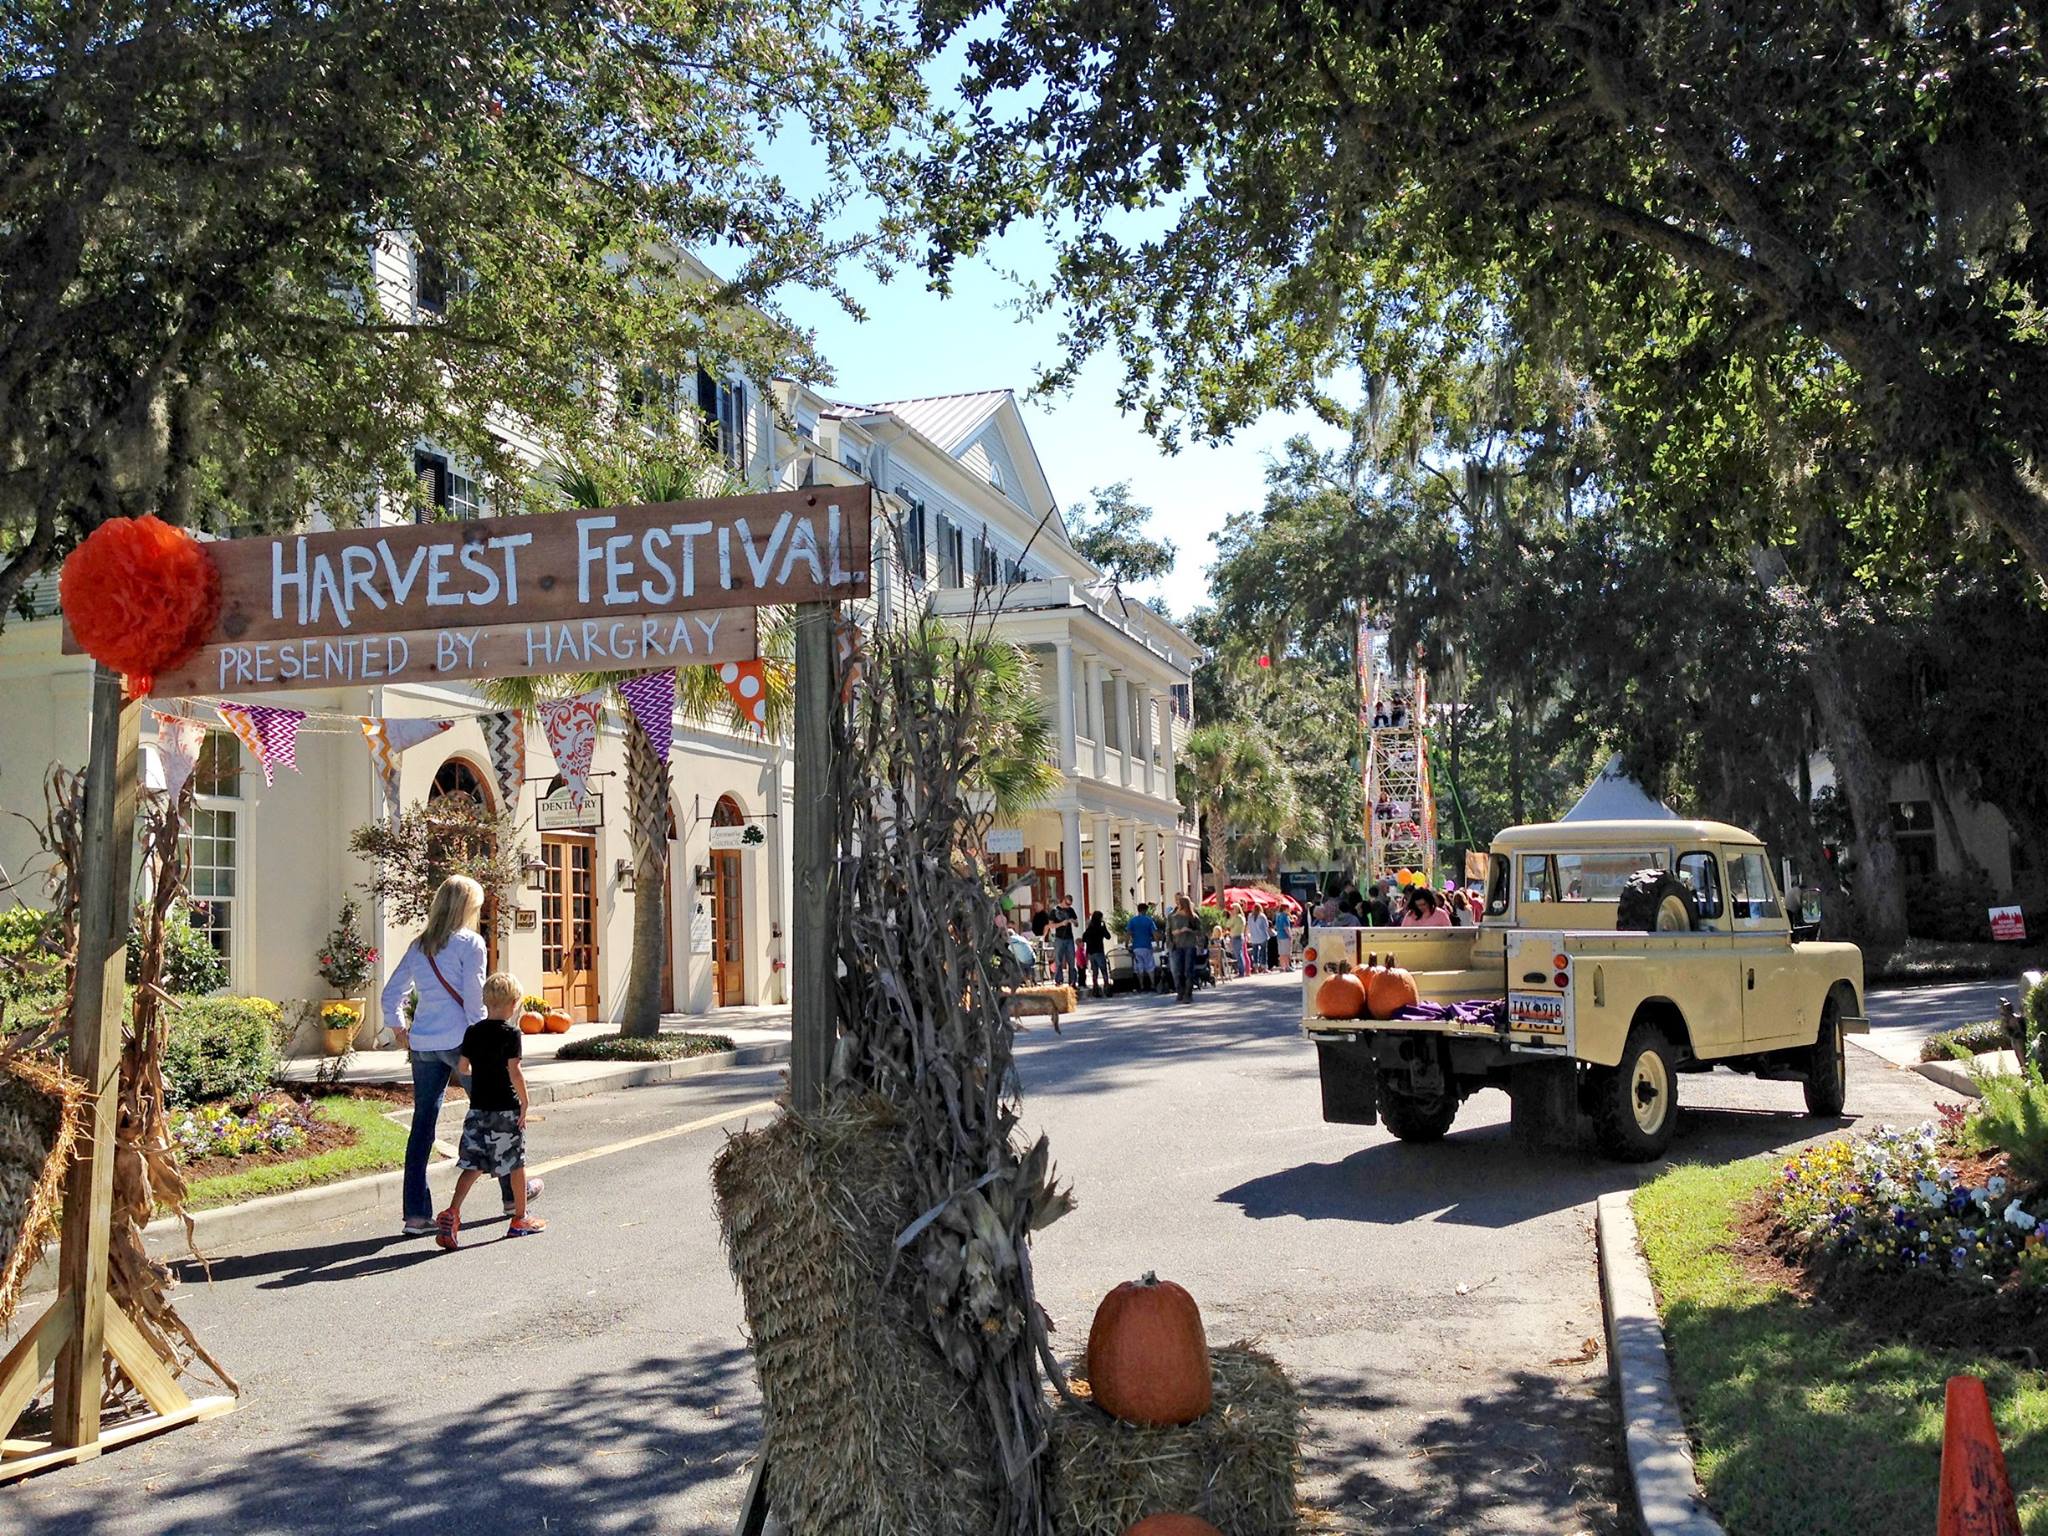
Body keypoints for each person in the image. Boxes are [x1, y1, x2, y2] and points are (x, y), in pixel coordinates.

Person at [381, 875, 534, 1236]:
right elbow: (472, 999)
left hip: (424, 1045)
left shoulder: (420, 946)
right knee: (494, 1113)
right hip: (462, 1042)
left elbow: (391, 993)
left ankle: (416, 1215)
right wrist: (487, 1041)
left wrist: (400, 1028)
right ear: (468, 908)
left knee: (422, 1127)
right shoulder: (471, 944)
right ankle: (513, 1197)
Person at [436, 971, 543, 1247]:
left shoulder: (473, 1032)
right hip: (505, 1110)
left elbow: (462, 1068)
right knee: (515, 1164)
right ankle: (520, 1218)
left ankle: (452, 1212)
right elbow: (515, 1071)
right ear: (514, 1003)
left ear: (486, 1001)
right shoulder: (511, 1033)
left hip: (478, 1110)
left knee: (472, 1165)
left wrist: (478, 1070)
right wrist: (525, 1102)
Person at [1166, 895, 1203, 1004]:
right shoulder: (1172, 917)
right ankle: (1180, 992)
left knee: (1188, 971)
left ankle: (1188, 993)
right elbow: (1168, 932)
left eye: (1180, 902)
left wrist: (1189, 930)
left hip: (1189, 945)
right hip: (1176, 946)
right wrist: (1170, 942)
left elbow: (1200, 932)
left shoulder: (1193, 917)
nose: (1178, 904)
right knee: (1177, 971)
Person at [1126, 902, 1161, 992]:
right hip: (1147, 946)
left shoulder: (1132, 920)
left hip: (1136, 947)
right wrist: (1157, 944)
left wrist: (1126, 944)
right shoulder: (1149, 920)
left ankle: (1141, 986)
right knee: (1150, 966)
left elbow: (1128, 933)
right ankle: (1152, 984)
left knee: (1139, 967)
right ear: (1145, 910)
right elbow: (1155, 933)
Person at [1049, 895, 1079, 987]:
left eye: (1070, 904)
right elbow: (1051, 925)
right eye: (1067, 904)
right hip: (1059, 938)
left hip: (1069, 938)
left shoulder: (1071, 910)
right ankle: (1058, 981)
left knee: (1071, 960)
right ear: (1063, 901)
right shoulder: (1054, 911)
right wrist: (1062, 923)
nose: (1068, 906)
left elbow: (1077, 923)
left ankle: (1072, 982)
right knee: (1059, 960)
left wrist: (1072, 921)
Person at [1082, 910, 1112, 997]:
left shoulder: (1090, 928)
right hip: (1099, 951)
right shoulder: (1101, 927)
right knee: (1103, 970)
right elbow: (1108, 936)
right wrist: (1104, 927)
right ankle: (1106, 988)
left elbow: (1084, 938)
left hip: (1091, 952)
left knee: (1094, 971)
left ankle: (1096, 989)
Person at [1245, 908, 1270, 974]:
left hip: (1254, 937)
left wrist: (1247, 934)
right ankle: (1264, 968)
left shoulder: (1250, 916)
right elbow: (1266, 926)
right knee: (1263, 952)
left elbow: (1248, 926)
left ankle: (1256, 968)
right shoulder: (1262, 916)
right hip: (1262, 936)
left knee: (1255, 953)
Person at [1272, 904, 1291, 968]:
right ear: (1286, 909)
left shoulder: (1278, 916)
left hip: (1279, 935)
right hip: (1285, 936)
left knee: (1281, 952)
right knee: (1286, 952)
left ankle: (1282, 966)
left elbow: (1276, 926)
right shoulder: (1285, 916)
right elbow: (1286, 927)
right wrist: (1290, 935)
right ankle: (1287, 966)